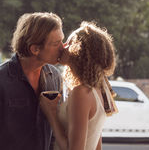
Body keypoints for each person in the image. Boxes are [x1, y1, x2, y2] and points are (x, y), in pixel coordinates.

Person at [0, 12, 64, 150]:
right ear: (35, 49)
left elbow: (55, 134)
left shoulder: (54, 76)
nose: (63, 48)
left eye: (62, 40)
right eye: (56, 43)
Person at [40, 21, 118, 150]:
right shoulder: (99, 89)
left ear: (78, 51)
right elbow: (97, 144)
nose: (63, 46)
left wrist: (51, 114)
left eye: (69, 43)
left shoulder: (81, 92)